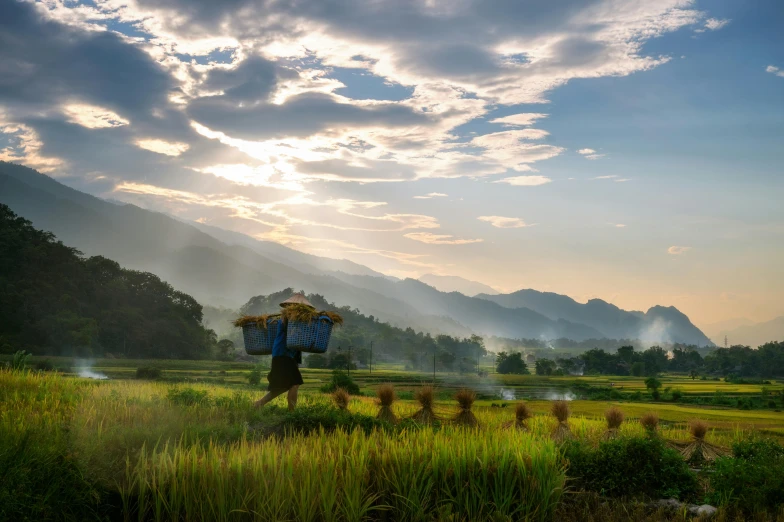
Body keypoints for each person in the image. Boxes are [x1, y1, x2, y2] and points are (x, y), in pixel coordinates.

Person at [253, 294, 311, 410]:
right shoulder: (286, 319)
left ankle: (258, 404)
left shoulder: (295, 321)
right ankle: (291, 414)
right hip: (283, 354)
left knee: (284, 386)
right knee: (295, 383)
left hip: (287, 355)